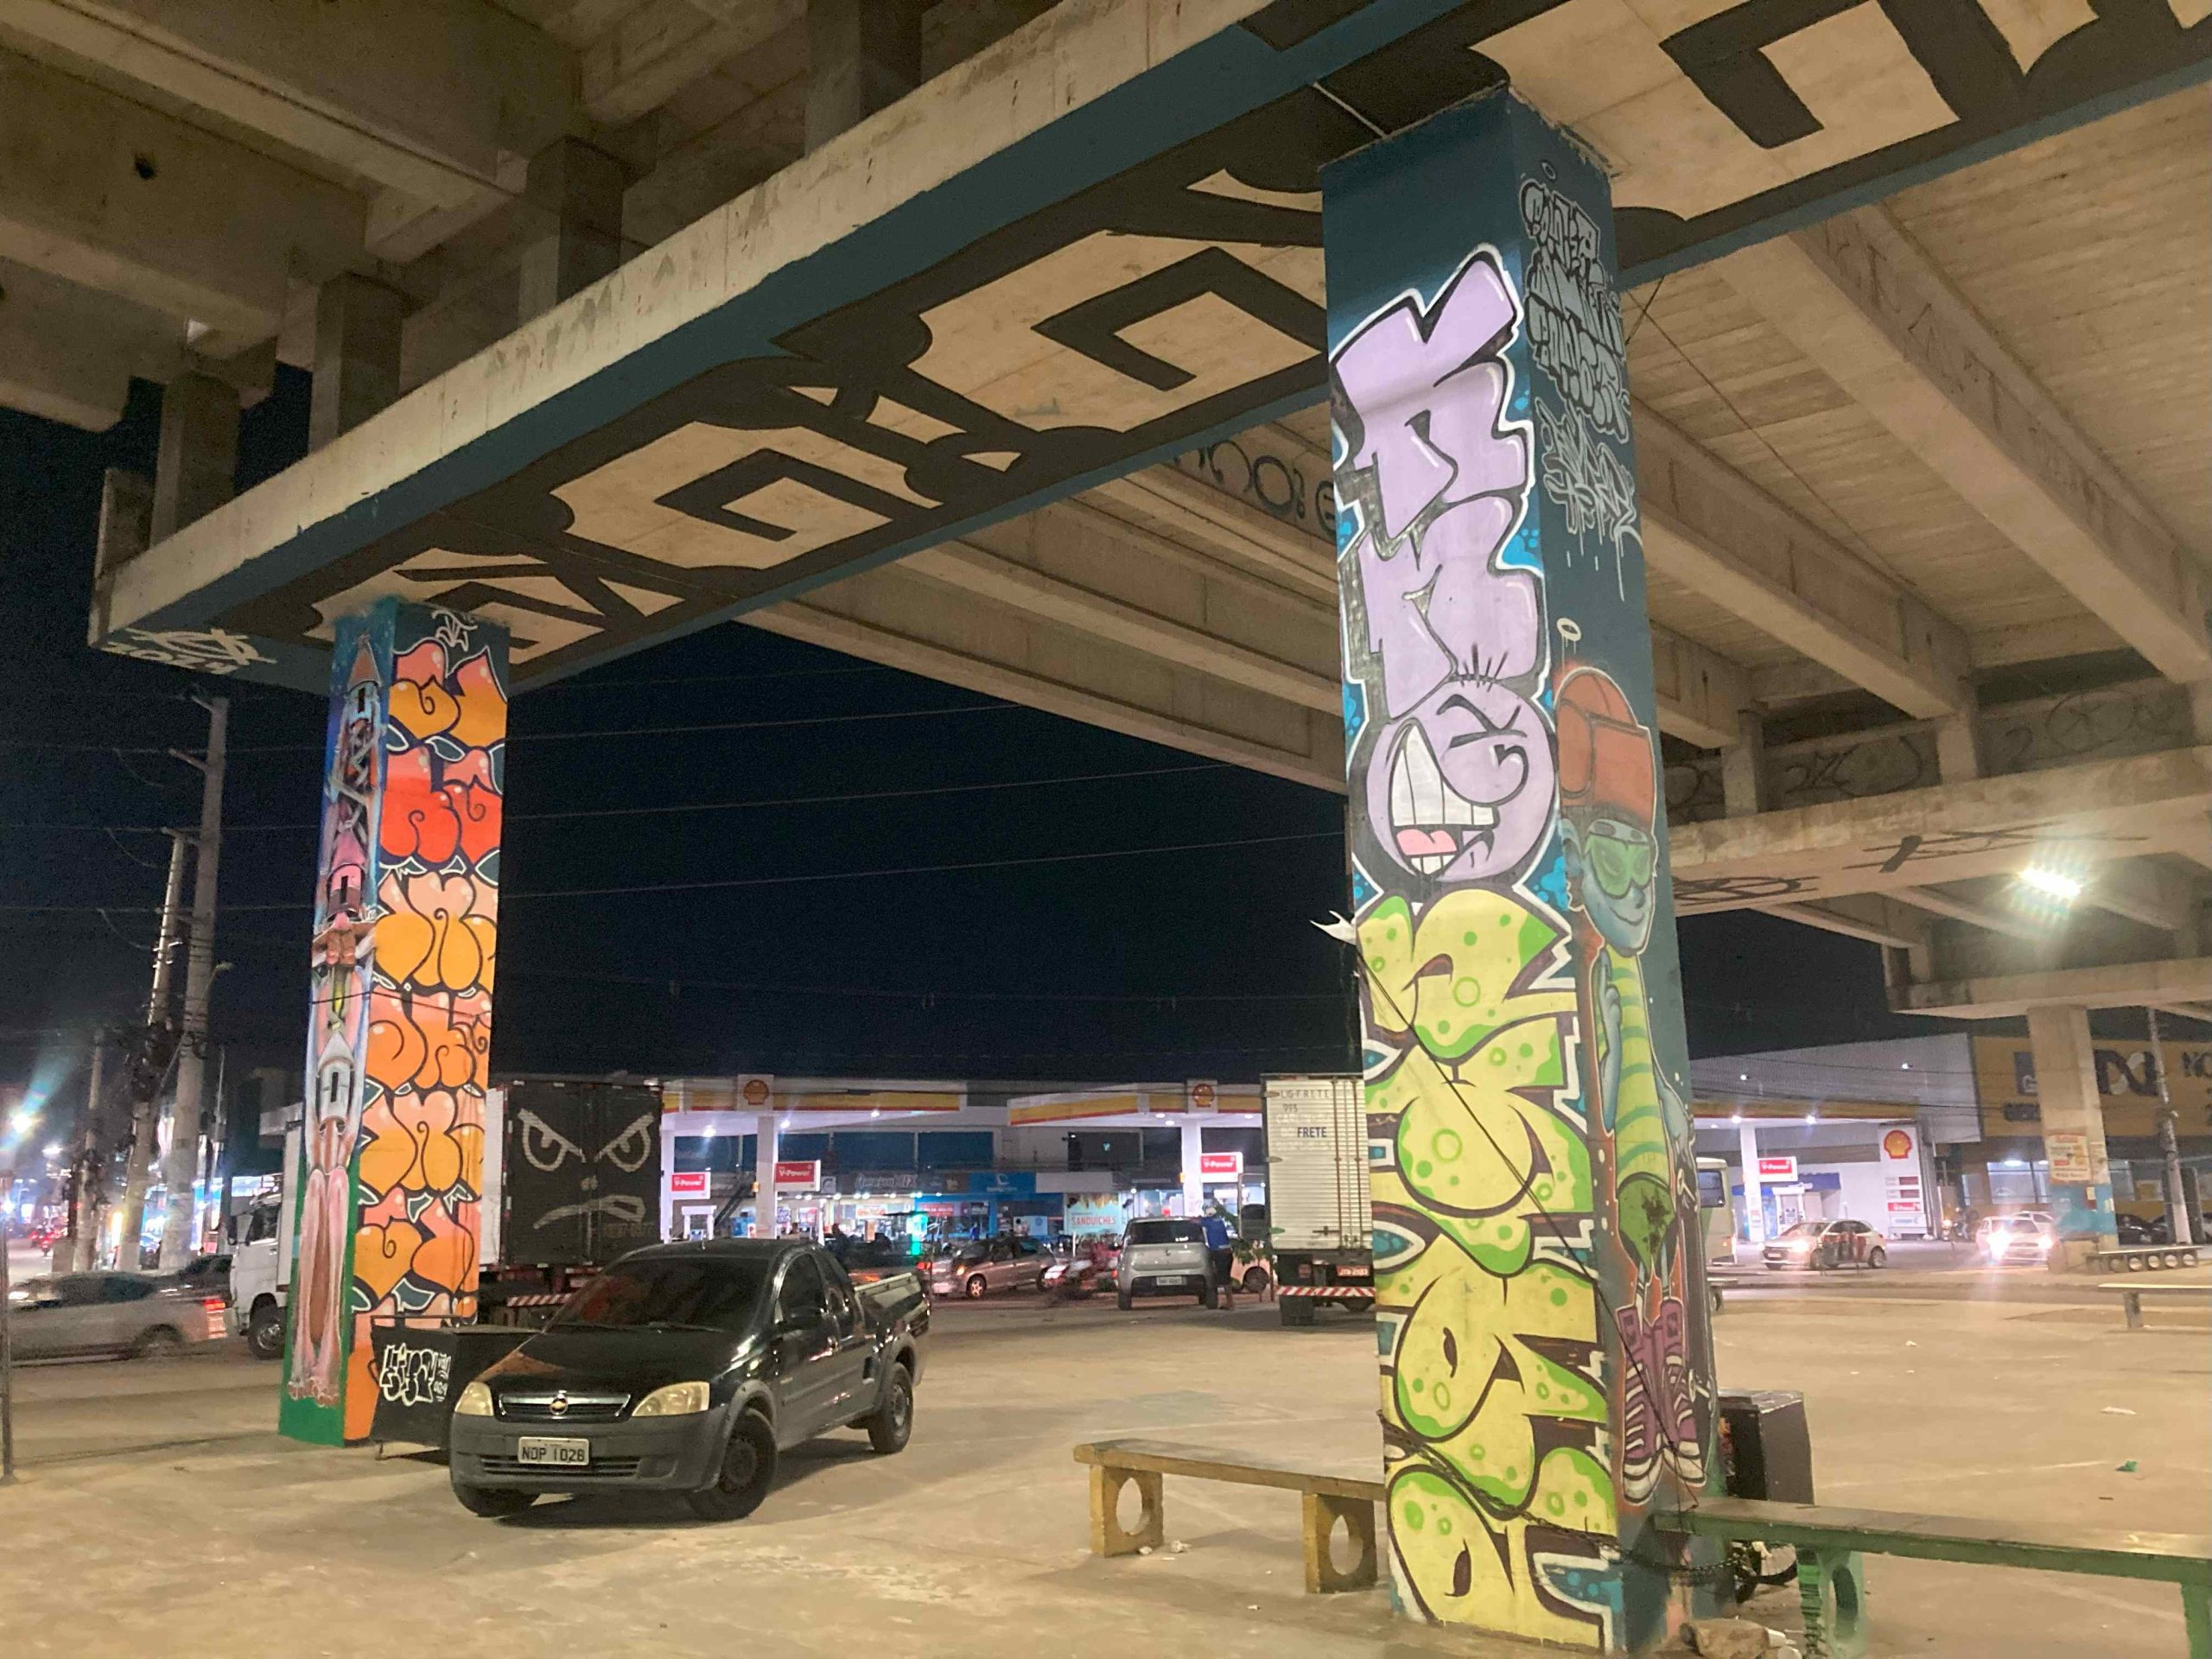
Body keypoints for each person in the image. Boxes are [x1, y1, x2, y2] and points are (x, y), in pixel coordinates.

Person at [1201, 1208, 1236, 1309]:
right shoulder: (1220, 1221)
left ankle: (1230, 1303)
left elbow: (1196, 1221)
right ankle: (1229, 1302)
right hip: (1227, 1252)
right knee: (1226, 1278)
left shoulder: (1209, 1222)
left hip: (1220, 1253)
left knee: (1224, 1279)